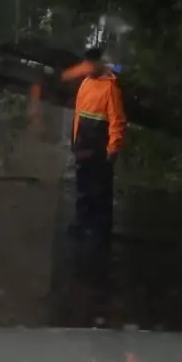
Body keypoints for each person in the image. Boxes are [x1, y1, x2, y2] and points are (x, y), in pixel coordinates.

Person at [69, 49, 127, 238]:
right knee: (82, 187)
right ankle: (81, 222)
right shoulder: (85, 84)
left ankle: (101, 228)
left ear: (99, 64)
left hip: (101, 148)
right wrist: (74, 141)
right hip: (83, 145)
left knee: (100, 189)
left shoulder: (110, 87)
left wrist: (114, 147)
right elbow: (78, 114)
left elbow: (117, 119)